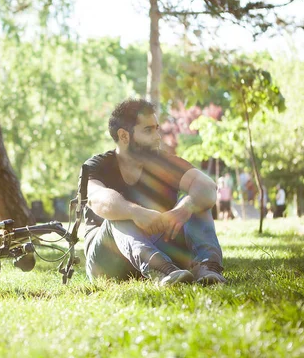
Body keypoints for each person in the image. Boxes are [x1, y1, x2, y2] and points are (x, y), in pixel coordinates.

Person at [83, 98, 225, 286]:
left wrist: (185, 208)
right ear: (124, 136)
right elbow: (97, 199)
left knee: (197, 202)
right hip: (107, 261)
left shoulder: (164, 162)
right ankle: (163, 271)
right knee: (119, 216)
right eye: (148, 130)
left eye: (157, 128)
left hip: (160, 246)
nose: (158, 137)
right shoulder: (96, 166)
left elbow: (207, 187)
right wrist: (135, 212)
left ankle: (208, 268)